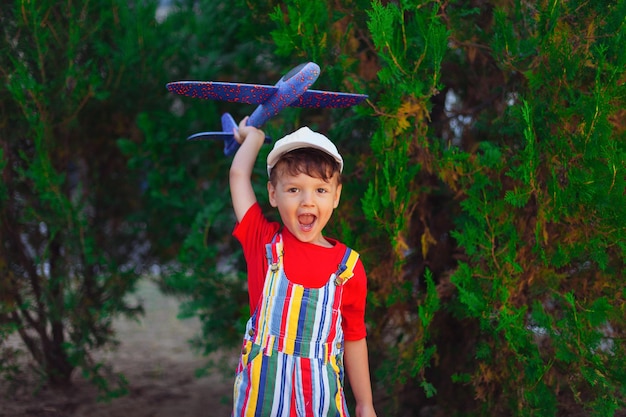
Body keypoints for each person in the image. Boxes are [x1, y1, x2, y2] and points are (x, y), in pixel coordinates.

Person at [229, 116, 377, 417]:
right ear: (273, 194)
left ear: (336, 196)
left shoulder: (348, 269)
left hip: (321, 405)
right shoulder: (263, 242)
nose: (308, 201)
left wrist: (365, 404)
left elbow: (354, 338)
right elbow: (238, 175)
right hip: (262, 405)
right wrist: (253, 138)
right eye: (294, 189)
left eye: (320, 190)